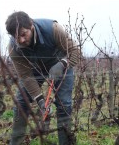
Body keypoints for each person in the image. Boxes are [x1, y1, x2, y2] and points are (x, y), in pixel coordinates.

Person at [5, 11, 81, 145]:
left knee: (64, 104)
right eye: (17, 37)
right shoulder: (13, 48)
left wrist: (62, 64)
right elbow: (26, 76)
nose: (21, 40)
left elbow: (75, 51)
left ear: (31, 26)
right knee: (21, 103)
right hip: (35, 69)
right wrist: (40, 100)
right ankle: (15, 142)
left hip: (61, 64)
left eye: (24, 34)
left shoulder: (53, 29)